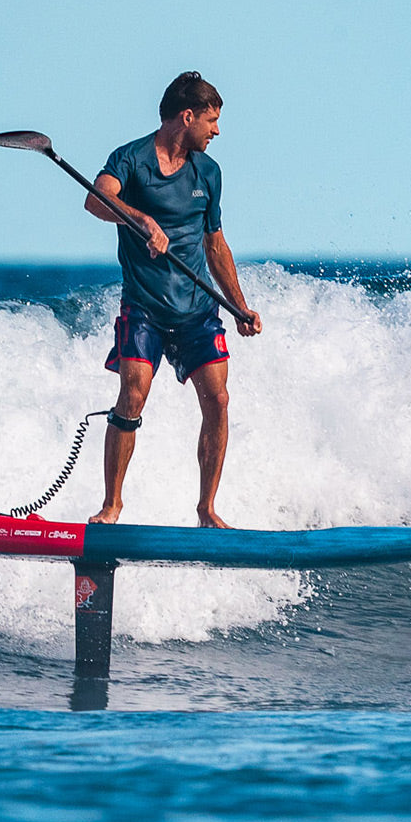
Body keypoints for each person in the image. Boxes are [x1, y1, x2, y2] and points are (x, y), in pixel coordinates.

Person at [84, 71, 262, 528]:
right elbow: (97, 200)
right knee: (132, 395)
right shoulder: (132, 159)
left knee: (218, 400)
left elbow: (215, 245)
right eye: (211, 120)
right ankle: (112, 506)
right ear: (188, 116)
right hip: (144, 307)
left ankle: (207, 510)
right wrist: (139, 218)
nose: (216, 130)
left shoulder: (209, 172)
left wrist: (238, 305)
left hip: (198, 311)